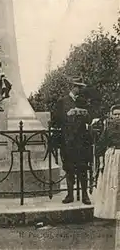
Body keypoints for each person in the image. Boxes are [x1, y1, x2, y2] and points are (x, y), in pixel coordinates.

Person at [51, 77, 93, 205]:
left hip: (81, 141)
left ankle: (85, 195)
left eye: (81, 87)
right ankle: (70, 195)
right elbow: (55, 120)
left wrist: (85, 114)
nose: (80, 90)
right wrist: (67, 116)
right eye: (78, 87)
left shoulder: (83, 101)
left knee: (83, 168)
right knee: (69, 168)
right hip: (67, 141)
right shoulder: (62, 102)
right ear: (73, 87)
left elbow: (89, 119)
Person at [94, 104, 120, 219]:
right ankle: (113, 211)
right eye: (115, 114)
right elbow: (100, 145)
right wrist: (101, 161)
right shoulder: (107, 129)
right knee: (113, 183)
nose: (118, 117)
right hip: (113, 157)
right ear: (111, 116)